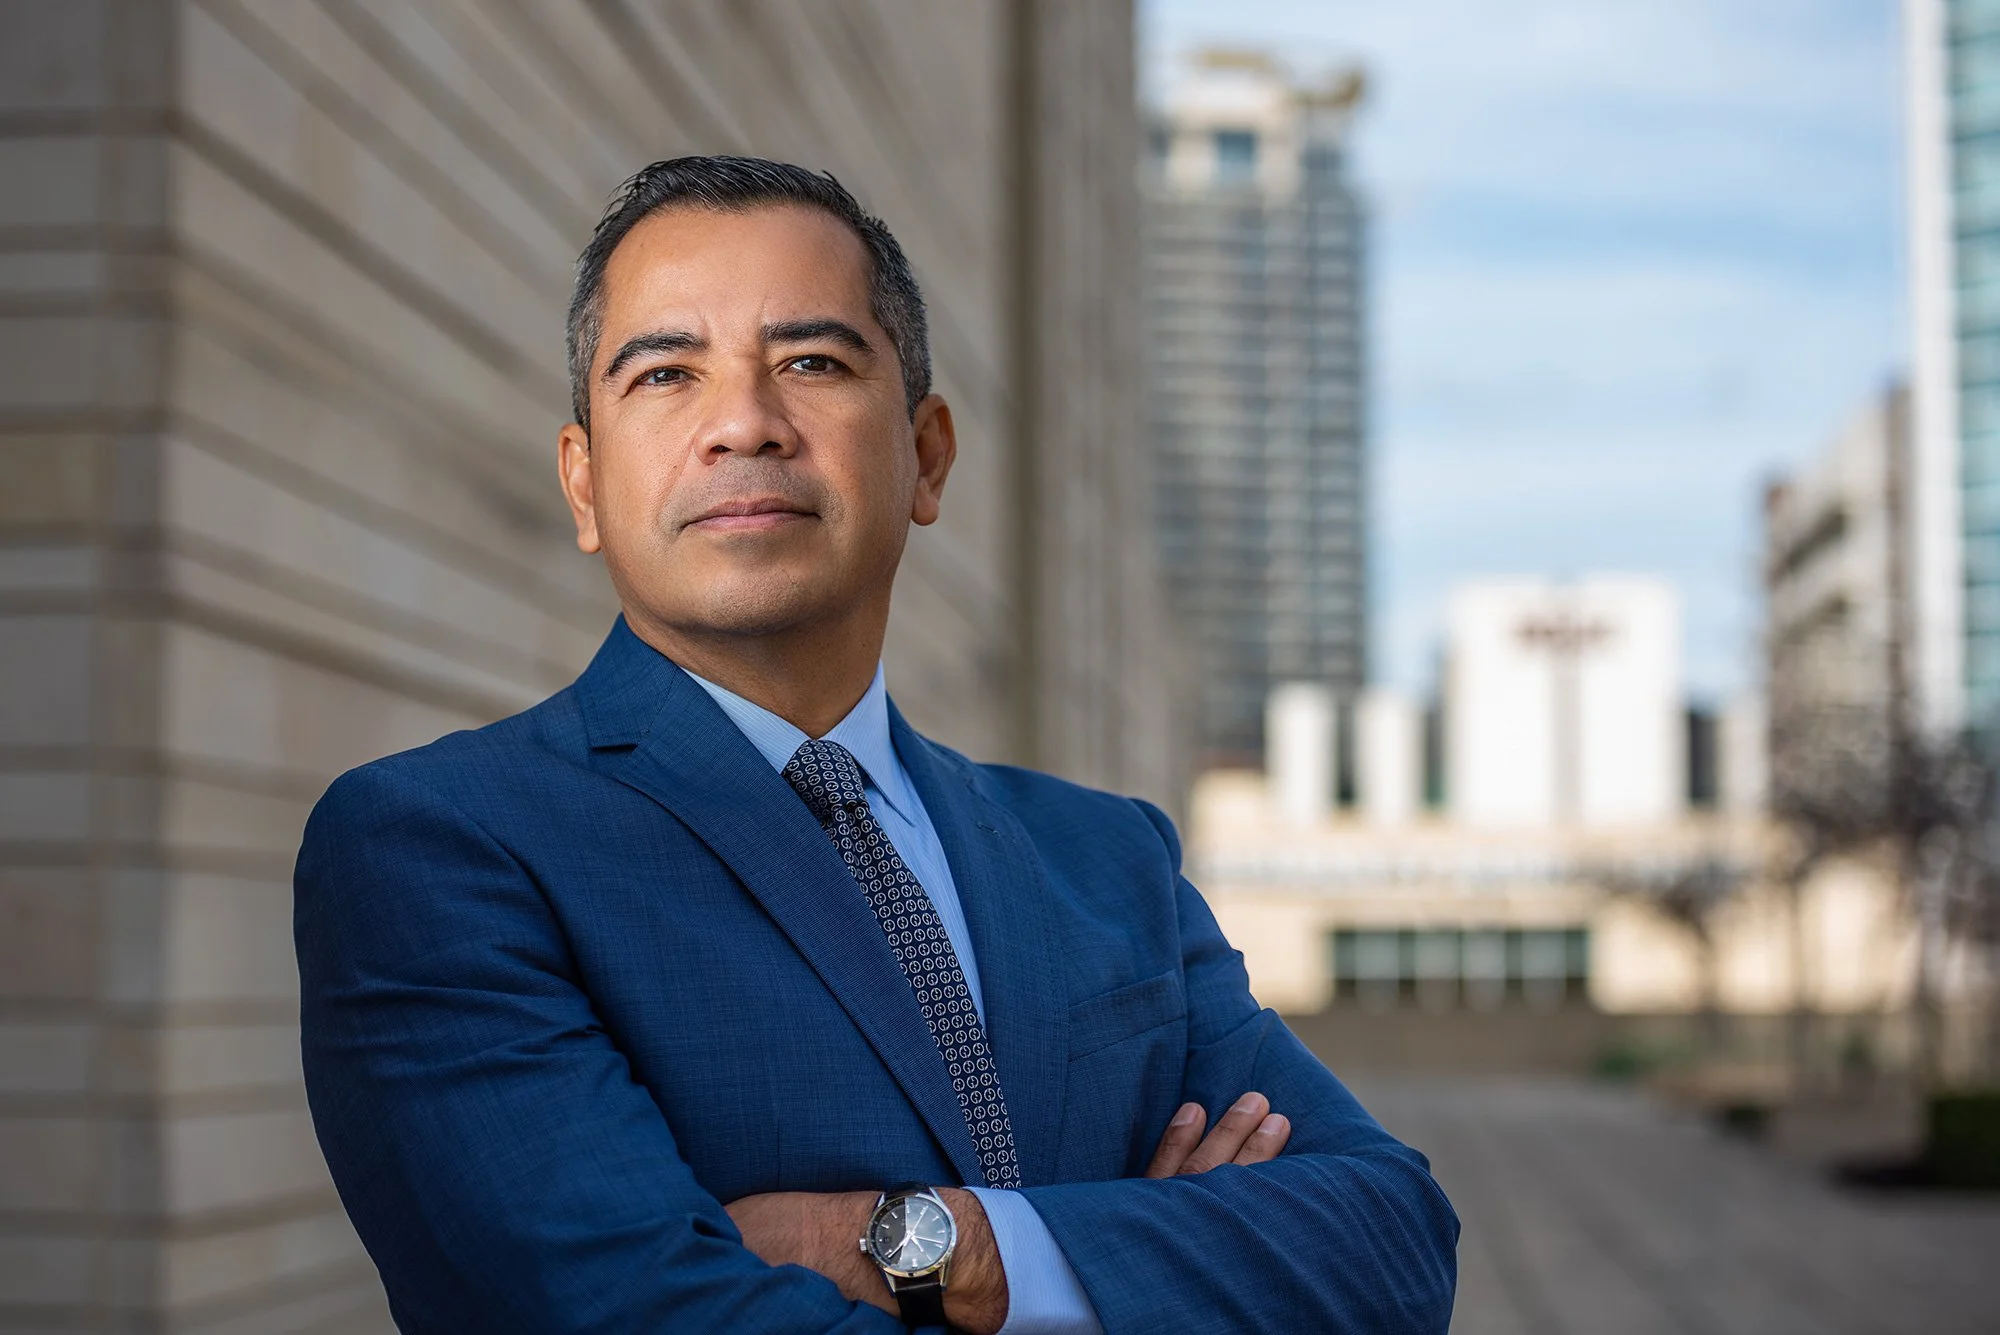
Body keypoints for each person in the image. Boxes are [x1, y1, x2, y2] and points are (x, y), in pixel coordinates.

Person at [295, 155, 1458, 1334]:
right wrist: (1135, 1272)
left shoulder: (1111, 859)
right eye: (665, 373)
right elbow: (627, 1313)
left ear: (926, 456)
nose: (743, 425)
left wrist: (939, 1246)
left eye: (811, 362)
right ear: (585, 484)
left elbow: (1393, 1247)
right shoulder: (441, 848)